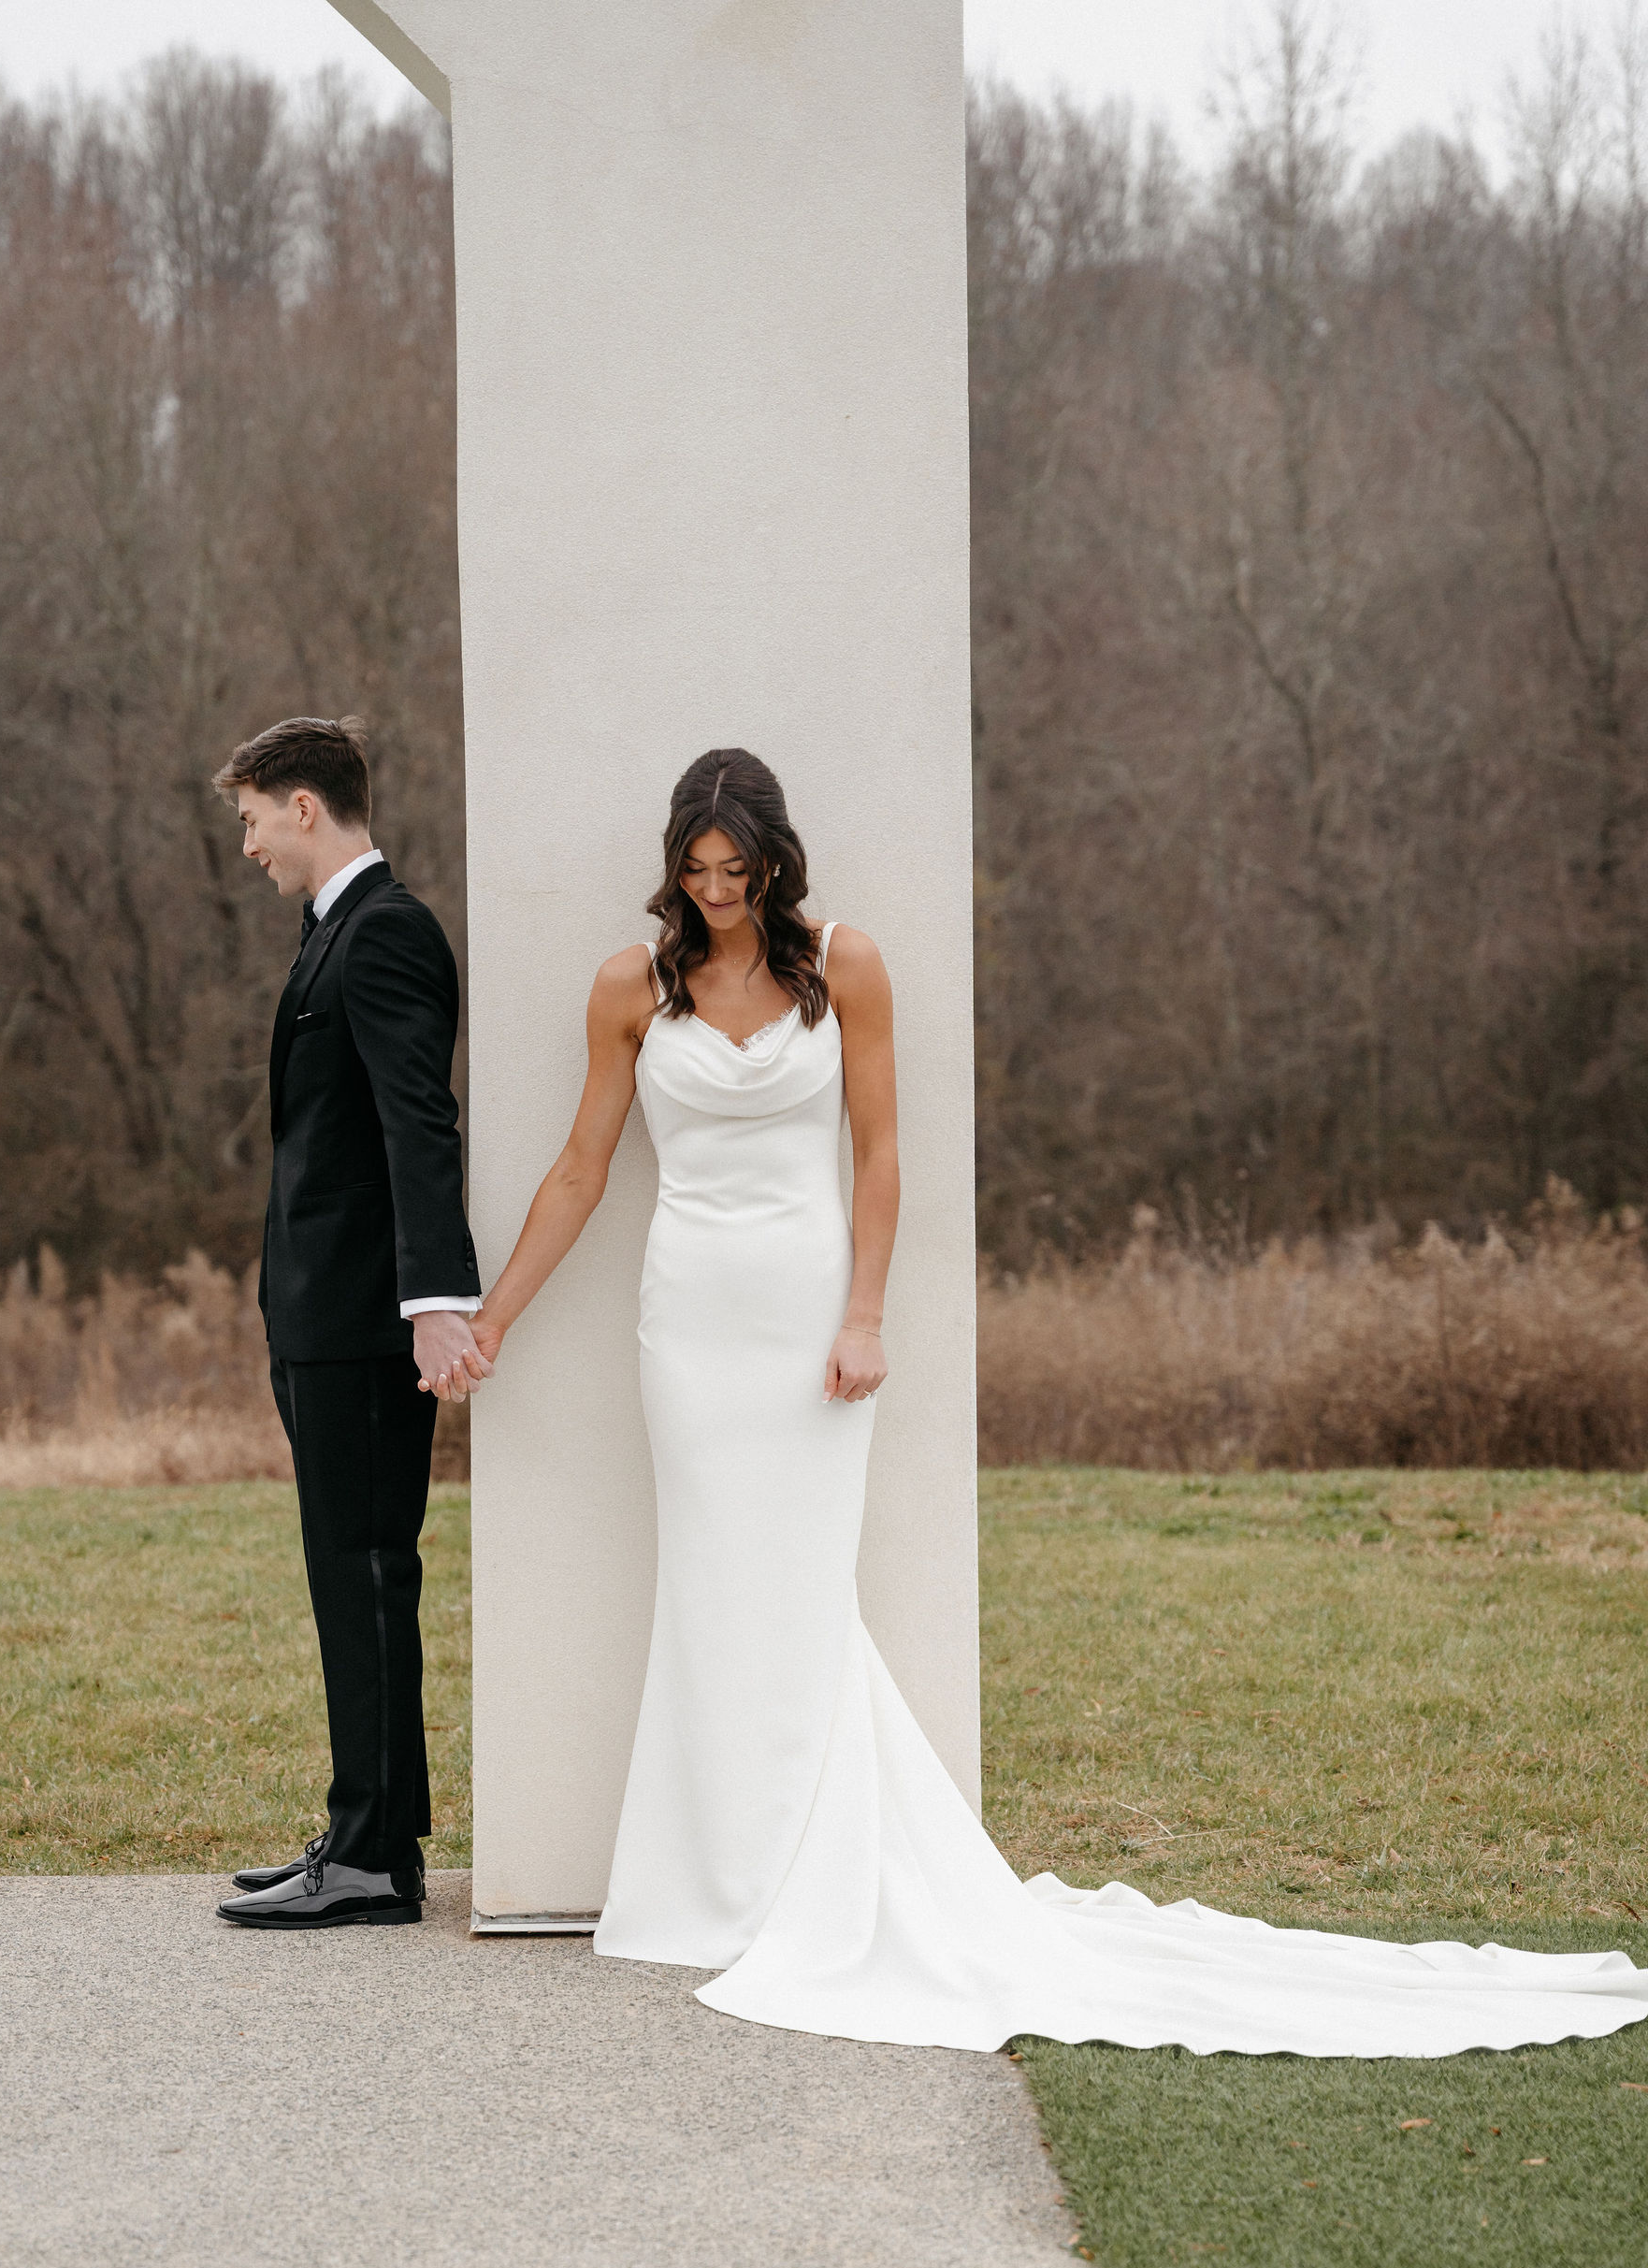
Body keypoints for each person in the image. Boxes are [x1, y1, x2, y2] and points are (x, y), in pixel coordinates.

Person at [467, 745, 1648, 2054]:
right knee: (707, 1585)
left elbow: (880, 1154)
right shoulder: (630, 987)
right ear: (673, 866)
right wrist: (495, 1318)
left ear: (776, 862)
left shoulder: (842, 967)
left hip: (807, 1327)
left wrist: (865, 1316)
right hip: (686, 1330)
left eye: (737, 873)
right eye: (697, 873)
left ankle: (814, 1882)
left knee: (798, 1594)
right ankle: (705, 1890)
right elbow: (581, 1168)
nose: (717, 894)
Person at [212, 716, 491, 1931]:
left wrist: (437, 1303)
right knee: (350, 1576)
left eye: (253, 818)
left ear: (306, 806)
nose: (251, 845)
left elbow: (417, 1125)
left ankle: (377, 1861)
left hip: (370, 1329)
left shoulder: (388, 934)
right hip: (319, 1320)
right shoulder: (338, 934)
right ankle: (365, 1828)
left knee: (368, 1572)